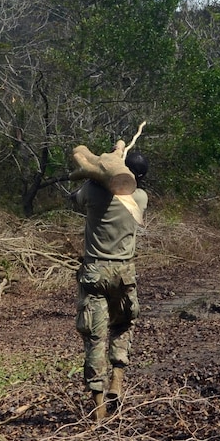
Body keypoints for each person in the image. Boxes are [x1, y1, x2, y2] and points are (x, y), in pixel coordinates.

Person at [72, 151, 149, 421]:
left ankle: (98, 406)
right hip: (124, 272)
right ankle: (117, 378)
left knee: (94, 337)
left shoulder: (93, 193)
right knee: (123, 325)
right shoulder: (140, 198)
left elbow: (77, 198)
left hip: (95, 271)